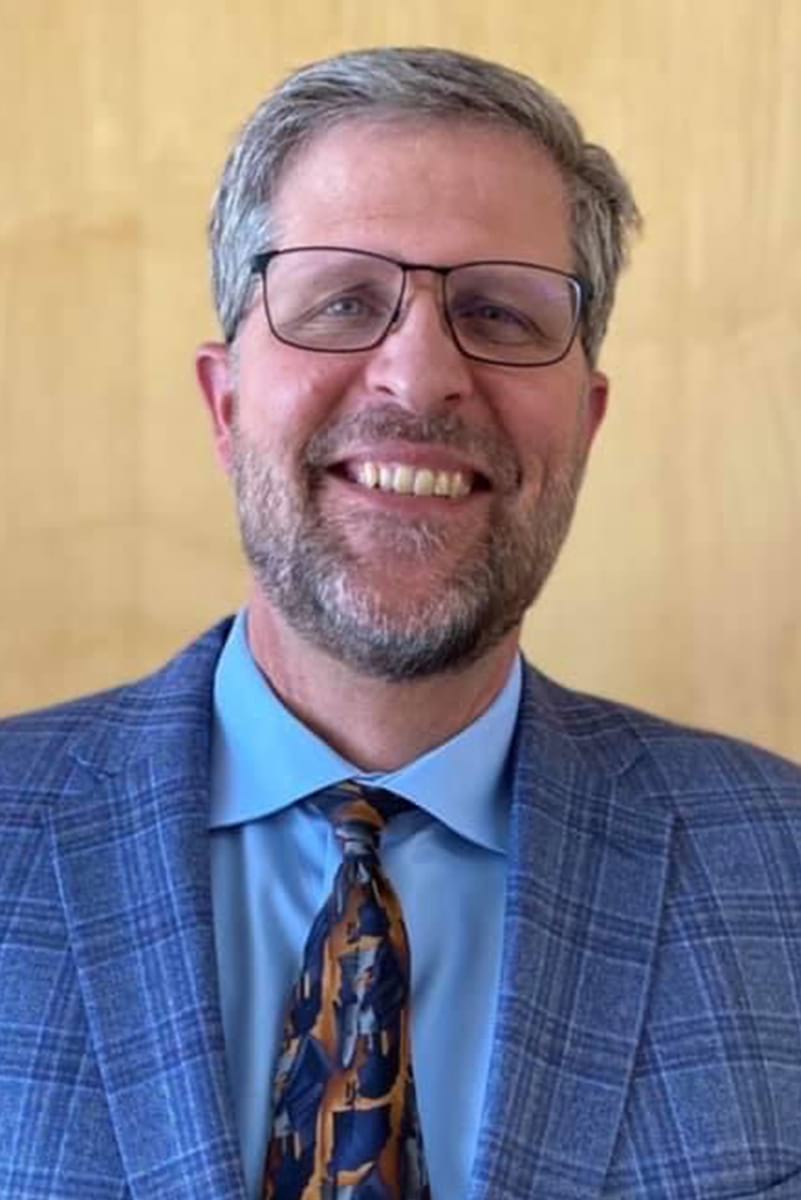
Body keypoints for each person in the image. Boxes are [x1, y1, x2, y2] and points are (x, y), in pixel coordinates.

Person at [1, 45, 800, 1200]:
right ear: (225, 405)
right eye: (343, 303)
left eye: (498, 313)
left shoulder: (779, 869)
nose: (420, 377)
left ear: (585, 424)